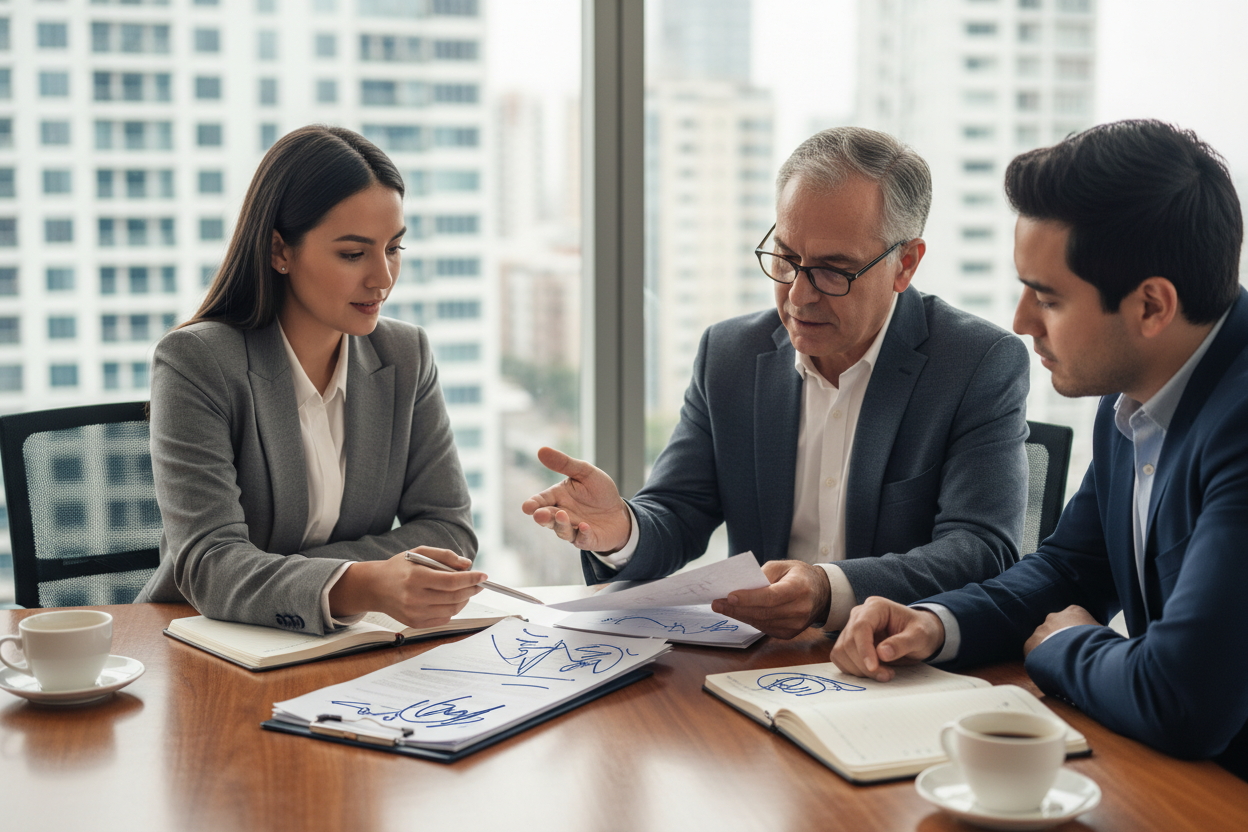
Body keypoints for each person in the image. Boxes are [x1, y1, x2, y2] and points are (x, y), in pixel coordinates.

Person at [829, 120, 1248, 777]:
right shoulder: (1133, 398)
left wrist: (1067, 644)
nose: (1021, 321)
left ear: (1151, 307)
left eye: (1047, 297)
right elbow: (1068, 569)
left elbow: (1184, 698)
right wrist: (935, 624)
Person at [522, 127, 1030, 638]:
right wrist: (620, 530)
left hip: (899, 664)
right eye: (785, 259)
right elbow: (677, 513)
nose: (798, 296)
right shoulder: (730, 355)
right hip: (759, 665)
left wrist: (828, 589)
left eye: (834, 271)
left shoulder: (976, 363)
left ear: (906, 264)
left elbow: (981, 549)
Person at [136, 125, 485, 634]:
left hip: (349, 645)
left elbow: (450, 533)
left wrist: (300, 575)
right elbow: (210, 563)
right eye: (352, 253)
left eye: (393, 249)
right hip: (208, 644)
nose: (382, 278)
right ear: (280, 250)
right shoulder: (196, 362)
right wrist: (359, 583)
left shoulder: (406, 355)